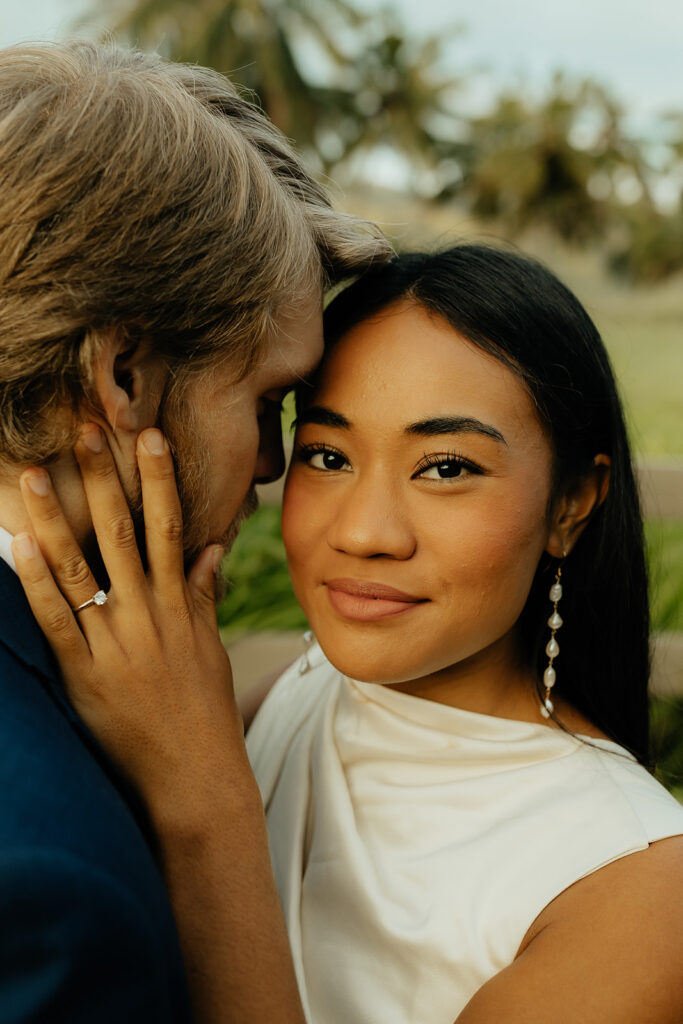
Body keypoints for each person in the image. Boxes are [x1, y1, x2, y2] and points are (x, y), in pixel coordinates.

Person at [13, 246, 683, 1023]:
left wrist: (208, 810)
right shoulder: (296, 694)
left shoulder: (638, 891)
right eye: (327, 455)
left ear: (569, 503)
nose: (364, 532)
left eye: (443, 468)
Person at [0, 38, 387, 1023]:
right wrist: (209, 808)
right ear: (122, 374)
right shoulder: (47, 895)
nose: (272, 462)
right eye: (267, 401)